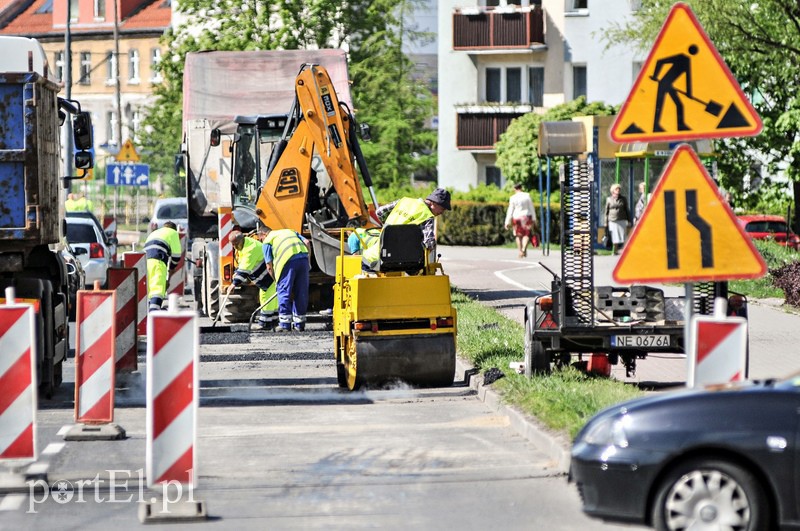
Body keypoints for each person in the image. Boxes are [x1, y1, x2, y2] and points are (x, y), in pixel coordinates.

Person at [361, 187, 452, 270]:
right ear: (434, 203)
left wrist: (392, 226)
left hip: (371, 258)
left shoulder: (404, 201)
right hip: (397, 263)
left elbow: (379, 212)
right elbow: (429, 243)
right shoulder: (427, 216)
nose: (442, 212)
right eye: (442, 209)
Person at [226, 230, 278, 330]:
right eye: (232, 245)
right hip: (266, 277)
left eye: (236, 244)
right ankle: (274, 321)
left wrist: (234, 284)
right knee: (271, 299)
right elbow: (242, 262)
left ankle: (265, 323)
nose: (234, 247)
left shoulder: (251, 248)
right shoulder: (244, 244)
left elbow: (244, 269)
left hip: (269, 276)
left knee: (266, 298)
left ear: (241, 240)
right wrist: (237, 272)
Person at [262, 228, 311, 332]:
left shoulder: (267, 241)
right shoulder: (290, 231)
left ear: (263, 234)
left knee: (284, 292)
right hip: (303, 259)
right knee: (301, 292)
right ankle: (300, 324)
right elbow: (307, 242)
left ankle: (285, 324)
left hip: (287, 262)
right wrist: (309, 262)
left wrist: (276, 281)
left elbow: (269, 266)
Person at [144, 221, 182, 311]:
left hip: (144, 261)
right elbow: (176, 256)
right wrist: (171, 269)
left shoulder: (155, 233)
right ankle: (154, 312)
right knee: (158, 288)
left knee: (150, 288)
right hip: (158, 260)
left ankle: (150, 309)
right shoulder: (173, 233)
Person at [504, 183, 537, 258]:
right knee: (526, 234)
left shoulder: (513, 198)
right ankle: (523, 249)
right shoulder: (527, 196)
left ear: (514, 189)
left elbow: (510, 210)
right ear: (521, 188)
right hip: (526, 217)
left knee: (518, 235)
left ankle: (520, 251)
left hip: (517, 217)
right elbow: (531, 208)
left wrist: (507, 222)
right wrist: (534, 219)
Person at [604, 183, 630, 255]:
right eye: (616, 189)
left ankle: (625, 251)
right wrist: (605, 222)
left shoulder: (623, 199)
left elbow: (626, 210)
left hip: (621, 219)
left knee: (623, 236)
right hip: (612, 220)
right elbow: (606, 211)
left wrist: (629, 220)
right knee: (614, 236)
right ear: (613, 191)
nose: (618, 190)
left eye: (619, 189)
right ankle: (614, 251)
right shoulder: (609, 199)